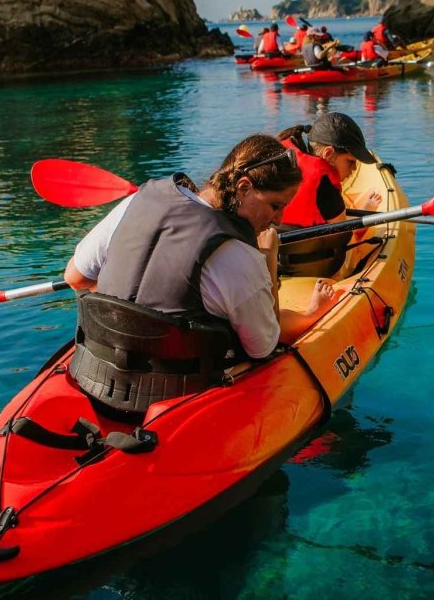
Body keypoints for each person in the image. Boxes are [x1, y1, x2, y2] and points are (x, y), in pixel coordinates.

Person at [62, 134, 338, 414]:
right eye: (275, 205)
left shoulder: (138, 200)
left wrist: (126, 313)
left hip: (97, 376)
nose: (278, 219)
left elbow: (75, 277)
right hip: (172, 399)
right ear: (243, 188)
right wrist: (267, 256)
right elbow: (263, 347)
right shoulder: (238, 256)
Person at [275, 113, 384, 276]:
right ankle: (364, 212)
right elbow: (342, 233)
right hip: (315, 268)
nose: (354, 170)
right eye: (351, 161)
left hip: (272, 263)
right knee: (346, 232)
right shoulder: (325, 185)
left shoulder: (276, 156)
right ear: (328, 154)